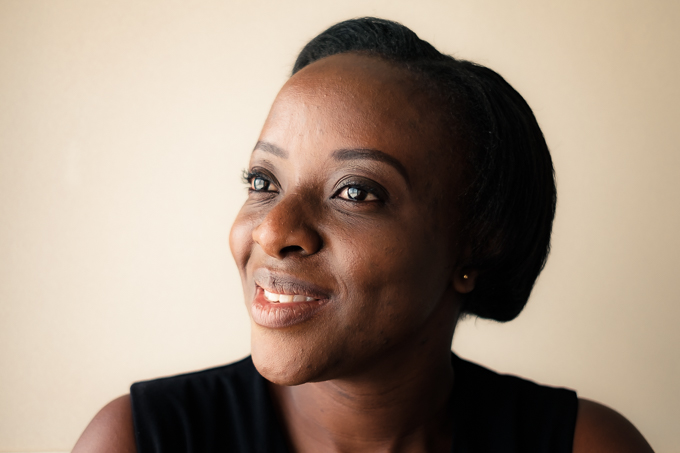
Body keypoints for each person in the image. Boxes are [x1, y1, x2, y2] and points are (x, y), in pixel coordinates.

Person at [73, 17, 654, 452]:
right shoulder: (135, 440)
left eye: (355, 192)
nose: (272, 230)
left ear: (477, 244)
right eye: (263, 181)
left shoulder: (587, 445)